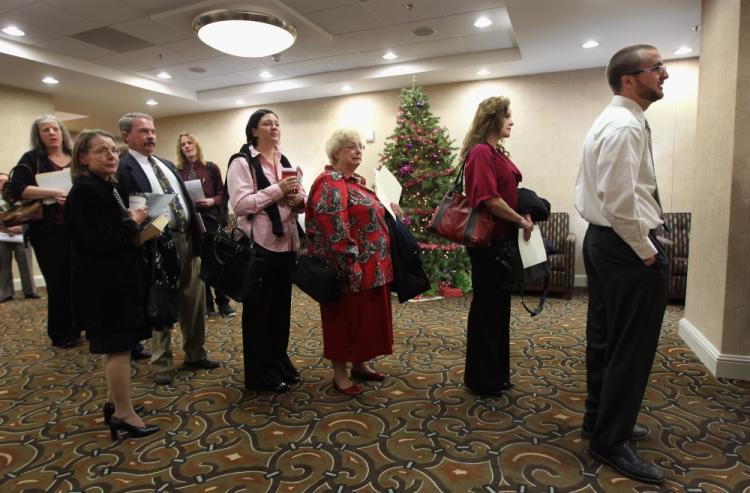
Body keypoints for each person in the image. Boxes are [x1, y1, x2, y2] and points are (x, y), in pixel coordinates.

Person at [575, 44, 669, 484]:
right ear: (629, 79)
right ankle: (610, 439)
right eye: (656, 68)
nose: (664, 74)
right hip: (624, 246)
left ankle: (600, 421)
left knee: (607, 340)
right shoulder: (623, 126)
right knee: (630, 347)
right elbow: (620, 200)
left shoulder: (613, 120)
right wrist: (647, 251)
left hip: (605, 243)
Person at [65, 129, 158, 440]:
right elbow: (101, 241)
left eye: (113, 151)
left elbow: (118, 232)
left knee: (117, 348)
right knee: (118, 349)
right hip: (104, 287)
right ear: (82, 158)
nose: (111, 156)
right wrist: (132, 220)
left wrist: (138, 224)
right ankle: (123, 413)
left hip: (117, 281)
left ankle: (116, 402)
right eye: (101, 151)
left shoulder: (105, 186)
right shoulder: (85, 191)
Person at [117, 112, 219, 385]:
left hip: (187, 236)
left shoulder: (165, 164)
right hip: (157, 243)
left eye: (152, 130)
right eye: (143, 131)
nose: (150, 136)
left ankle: (195, 353)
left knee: (194, 301)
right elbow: (128, 210)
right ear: (127, 136)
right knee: (162, 303)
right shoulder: (123, 168)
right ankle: (161, 364)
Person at [305, 129, 395, 396]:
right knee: (345, 320)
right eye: (350, 147)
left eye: (360, 147)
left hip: (373, 266)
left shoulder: (356, 182)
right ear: (335, 153)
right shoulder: (330, 181)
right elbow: (334, 226)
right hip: (348, 266)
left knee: (363, 320)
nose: (358, 151)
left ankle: (360, 364)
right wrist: (349, 262)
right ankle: (340, 374)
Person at [226, 109, 304, 393]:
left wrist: (297, 198)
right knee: (259, 313)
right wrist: (278, 189)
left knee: (280, 310)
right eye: (267, 123)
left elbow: (298, 197)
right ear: (253, 131)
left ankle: (277, 360)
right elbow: (242, 205)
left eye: (277, 123)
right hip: (260, 247)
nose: (274, 127)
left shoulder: (283, 159)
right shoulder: (242, 162)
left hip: (287, 244)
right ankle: (258, 373)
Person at [462, 96, 534, 397]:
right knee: (488, 311)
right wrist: (520, 219)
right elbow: (487, 199)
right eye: (507, 116)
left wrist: (523, 212)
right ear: (492, 119)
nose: (511, 121)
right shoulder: (480, 152)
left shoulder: (495, 152)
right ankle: (482, 379)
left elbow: (508, 192)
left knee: (498, 311)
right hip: (488, 244)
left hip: (502, 242)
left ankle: (496, 374)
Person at [5, 115, 81, 347]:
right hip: (49, 231)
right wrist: (51, 193)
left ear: (62, 132)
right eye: (45, 129)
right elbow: (15, 189)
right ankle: (61, 333)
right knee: (58, 282)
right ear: (38, 135)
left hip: (79, 228)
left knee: (79, 280)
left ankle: (80, 326)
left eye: (55, 128)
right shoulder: (31, 159)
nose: (51, 133)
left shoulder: (75, 156)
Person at [175, 133, 235, 318]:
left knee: (215, 260)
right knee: (199, 262)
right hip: (190, 221)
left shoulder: (210, 168)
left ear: (196, 145)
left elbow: (223, 193)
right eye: (183, 144)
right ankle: (207, 303)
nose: (186, 146)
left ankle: (223, 302)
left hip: (210, 218)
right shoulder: (178, 171)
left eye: (189, 142)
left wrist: (211, 201)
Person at [0, 172, 39, 302]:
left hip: (21, 234)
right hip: (2, 236)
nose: (3, 183)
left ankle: (30, 291)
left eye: (5, 180)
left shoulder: (20, 196)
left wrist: (20, 227)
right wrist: (5, 228)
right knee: (3, 266)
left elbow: (29, 212)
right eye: (0, 181)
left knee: (26, 264)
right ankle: (5, 293)